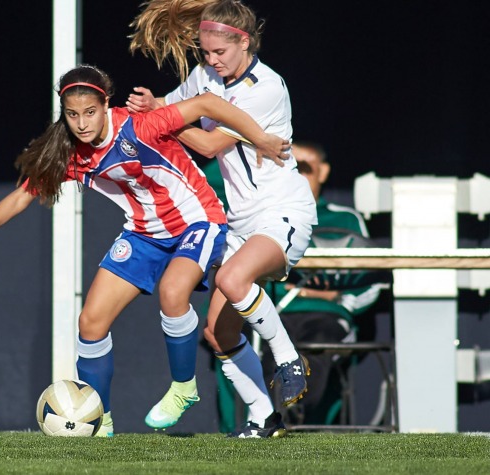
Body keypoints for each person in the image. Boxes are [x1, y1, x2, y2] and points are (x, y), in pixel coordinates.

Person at [0, 64, 290, 437]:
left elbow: (208, 101)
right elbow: (23, 195)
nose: (81, 123)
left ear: (106, 104)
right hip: (144, 234)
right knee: (90, 323)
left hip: (198, 220)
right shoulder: (70, 153)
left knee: (173, 293)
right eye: (73, 115)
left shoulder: (140, 126)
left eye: (90, 113)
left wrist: (258, 137)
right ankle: (101, 421)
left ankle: (183, 388)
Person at [128, 0, 317, 438]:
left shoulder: (265, 87)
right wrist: (156, 103)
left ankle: (288, 357)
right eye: (206, 52)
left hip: (281, 210)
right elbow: (174, 107)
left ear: (244, 42)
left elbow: (209, 145)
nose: (212, 60)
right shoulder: (204, 76)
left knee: (232, 280)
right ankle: (264, 417)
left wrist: (160, 119)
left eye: (220, 53)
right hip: (241, 222)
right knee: (218, 334)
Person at [261, 141, 388, 425]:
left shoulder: (345, 219)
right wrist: (309, 292)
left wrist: (339, 300)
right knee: (271, 351)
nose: (300, 174)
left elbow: (373, 278)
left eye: (307, 168)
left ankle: (295, 419)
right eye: (294, 167)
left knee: (317, 344)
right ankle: (274, 423)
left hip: (330, 318)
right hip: (279, 314)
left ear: (324, 171)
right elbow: (254, 275)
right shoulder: (269, 216)